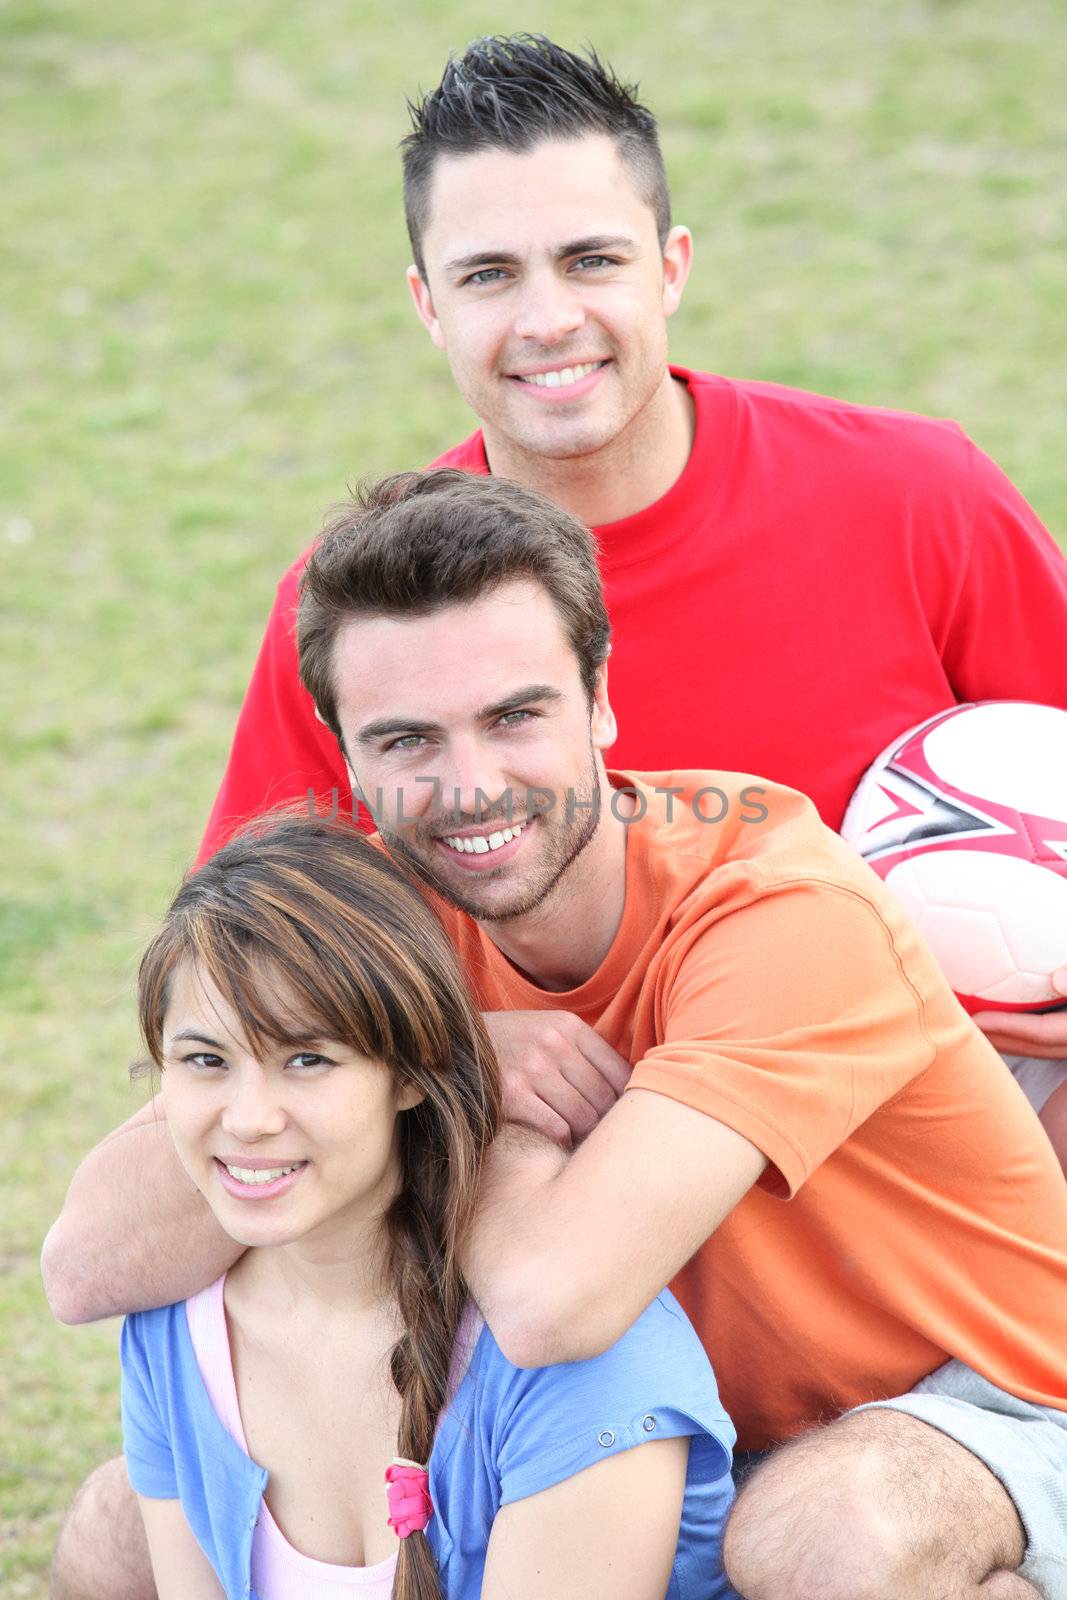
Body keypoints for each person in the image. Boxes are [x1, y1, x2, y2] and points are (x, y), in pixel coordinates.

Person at [47, 471, 1067, 1599]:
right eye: (405, 741)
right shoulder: (376, 917)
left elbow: (548, 1301)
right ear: (345, 755)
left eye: (514, 716)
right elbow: (85, 1263)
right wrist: (456, 1043)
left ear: (601, 700)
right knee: (115, 1530)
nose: (469, 785)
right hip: (659, 1423)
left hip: (987, 1394)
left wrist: (433, 1066)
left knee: (818, 1539)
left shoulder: (780, 908)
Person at [195, 33, 1067, 1121]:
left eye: (590, 260)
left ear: (670, 266)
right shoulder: (363, 608)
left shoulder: (916, 494)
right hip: (601, 1184)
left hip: (931, 1138)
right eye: (487, 275)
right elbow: (241, 969)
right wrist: (454, 1049)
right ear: (427, 304)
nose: (547, 319)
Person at [117, 812, 735, 1600]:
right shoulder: (174, 1327)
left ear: (412, 1074)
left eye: (308, 1059)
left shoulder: (578, 1366)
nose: (248, 1118)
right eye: (205, 1060)